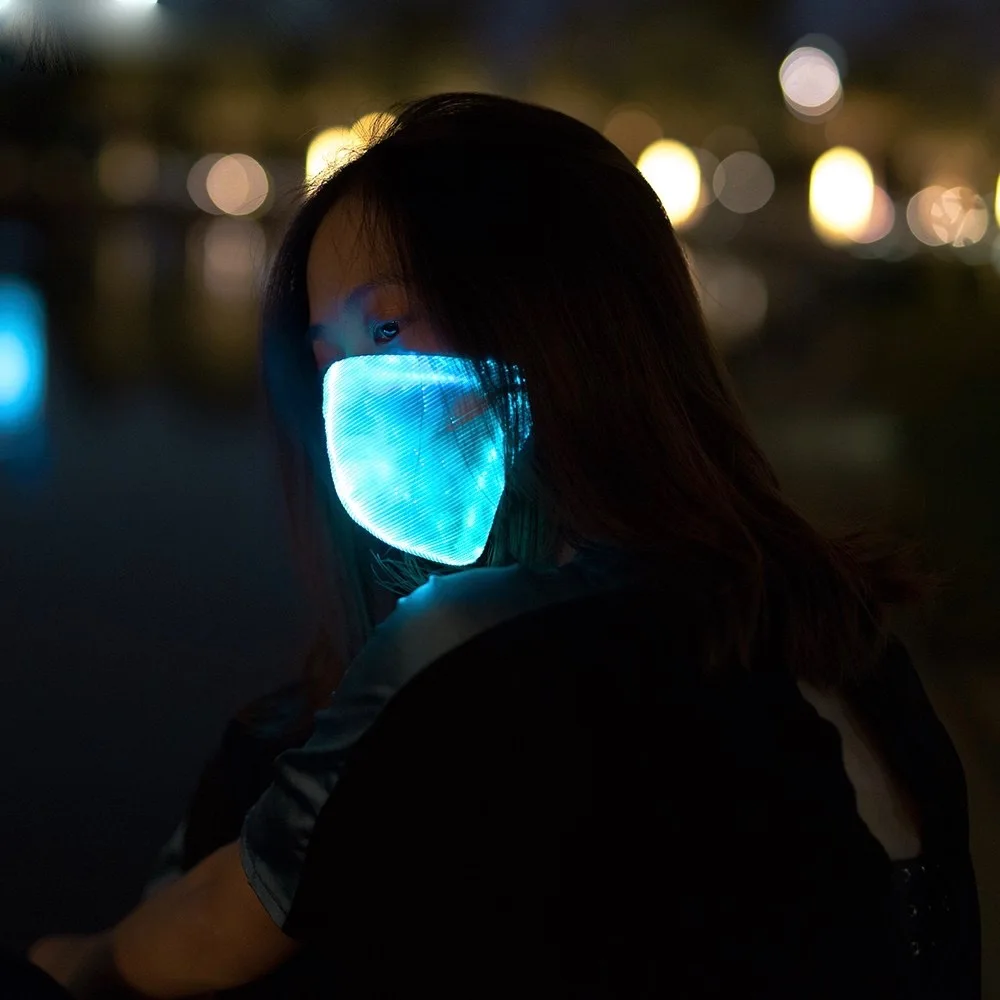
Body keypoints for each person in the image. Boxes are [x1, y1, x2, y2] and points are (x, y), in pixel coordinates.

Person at [25, 92, 980, 998]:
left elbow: (221, 920)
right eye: (331, 361)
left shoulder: (468, 648)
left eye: (389, 327)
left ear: (562, 326)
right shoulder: (849, 649)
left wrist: (73, 965)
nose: (355, 398)